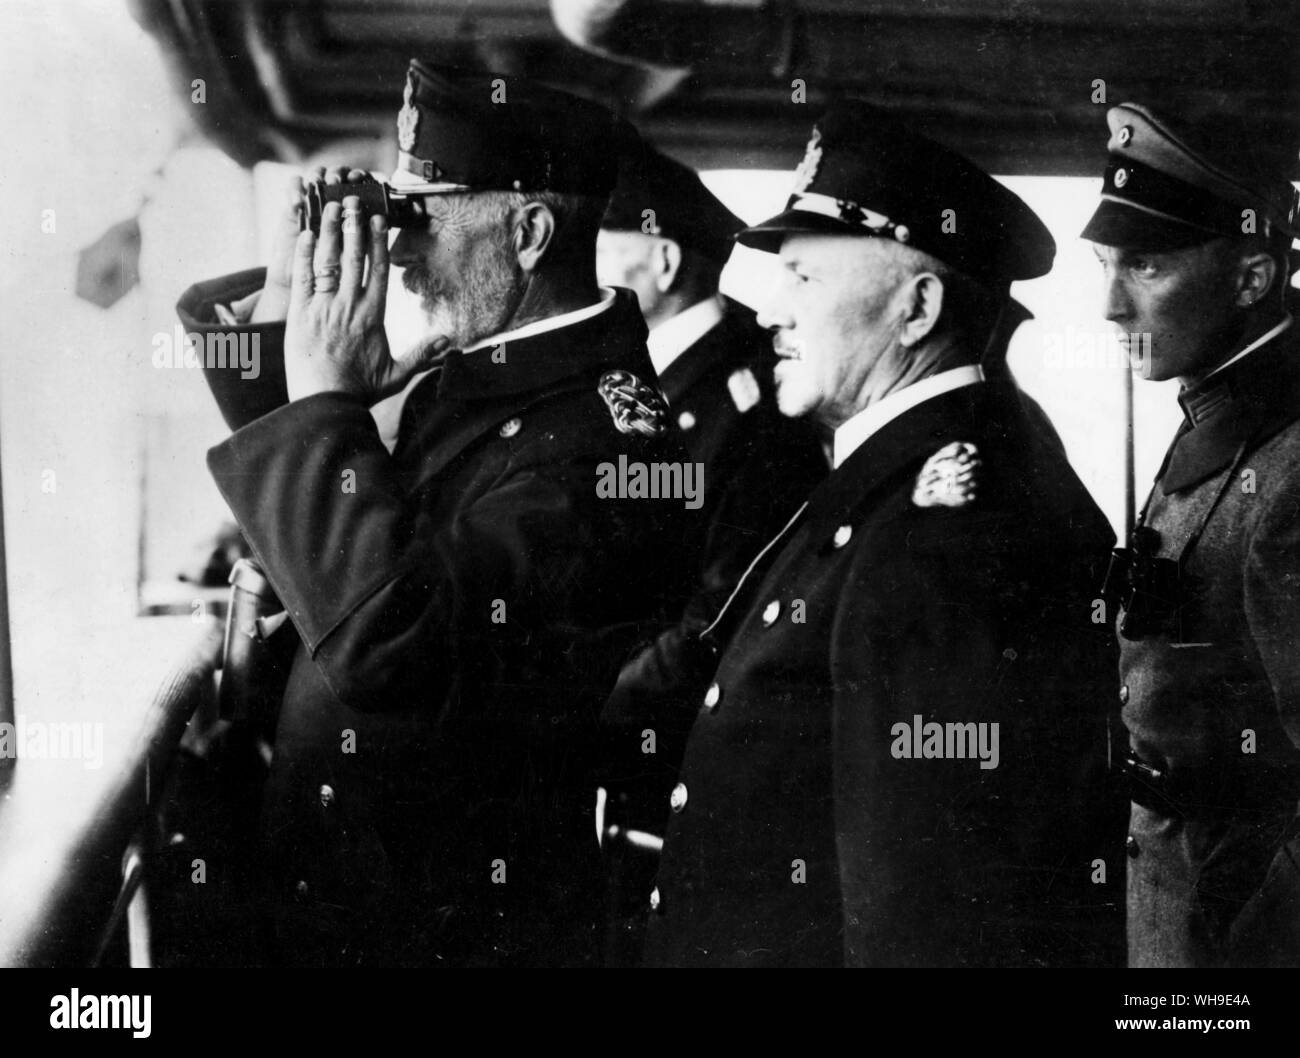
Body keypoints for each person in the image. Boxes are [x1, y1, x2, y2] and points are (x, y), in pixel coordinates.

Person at [172, 60, 700, 967]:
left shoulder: (614, 446)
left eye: (422, 214)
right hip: (354, 894)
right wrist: (303, 290)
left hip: (455, 927)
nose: (402, 250)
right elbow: (333, 538)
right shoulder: (482, 376)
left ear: (529, 230)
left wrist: (328, 410)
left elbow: (396, 639)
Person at [639, 101, 1124, 967]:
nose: (768, 314)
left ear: (917, 306)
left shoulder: (951, 519)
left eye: (804, 280)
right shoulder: (895, 474)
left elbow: (931, 908)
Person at [593, 143, 826, 957]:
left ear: (661, 260)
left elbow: (723, 614)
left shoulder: (749, 400)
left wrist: (590, 710)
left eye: (603, 241)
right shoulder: (642, 384)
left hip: (684, 763)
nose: (585, 264)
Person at [1084, 101, 1300, 967]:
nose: (1109, 305)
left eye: (1146, 266)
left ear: (1252, 277)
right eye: (1107, 263)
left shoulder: (1287, 468)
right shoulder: (1219, 406)